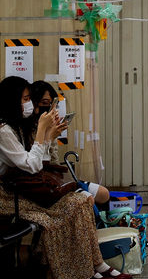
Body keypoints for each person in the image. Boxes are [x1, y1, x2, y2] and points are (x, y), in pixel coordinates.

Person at [0, 75, 132, 279]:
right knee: (71, 207)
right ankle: (79, 273)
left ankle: (96, 265)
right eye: (25, 99)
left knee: (83, 199)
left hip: (21, 191)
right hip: (8, 197)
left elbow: (39, 164)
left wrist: (48, 135)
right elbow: (31, 165)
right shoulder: (4, 130)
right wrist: (44, 132)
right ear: (12, 100)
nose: (29, 104)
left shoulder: (15, 128)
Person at [29, 80, 111, 210]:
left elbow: (54, 162)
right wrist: (48, 137)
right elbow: (36, 164)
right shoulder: (29, 129)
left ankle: (105, 224)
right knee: (88, 200)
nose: (49, 109)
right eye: (45, 103)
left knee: (103, 193)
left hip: (53, 178)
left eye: (52, 105)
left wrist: (51, 136)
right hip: (41, 182)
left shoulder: (49, 127)